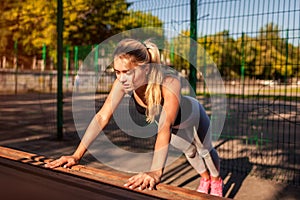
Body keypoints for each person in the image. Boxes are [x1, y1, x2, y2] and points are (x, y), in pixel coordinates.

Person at [45, 38, 223, 197]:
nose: (121, 78)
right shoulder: (123, 83)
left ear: (145, 69)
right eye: (117, 72)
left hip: (194, 117)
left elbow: (164, 127)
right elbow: (102, 116)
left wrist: (155, 172)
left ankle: (216, 180)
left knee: (205, 150)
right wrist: (76, 156)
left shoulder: (169, 83)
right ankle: (205, 179)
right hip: (173, 127)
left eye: (127, 72)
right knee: (190, 152)